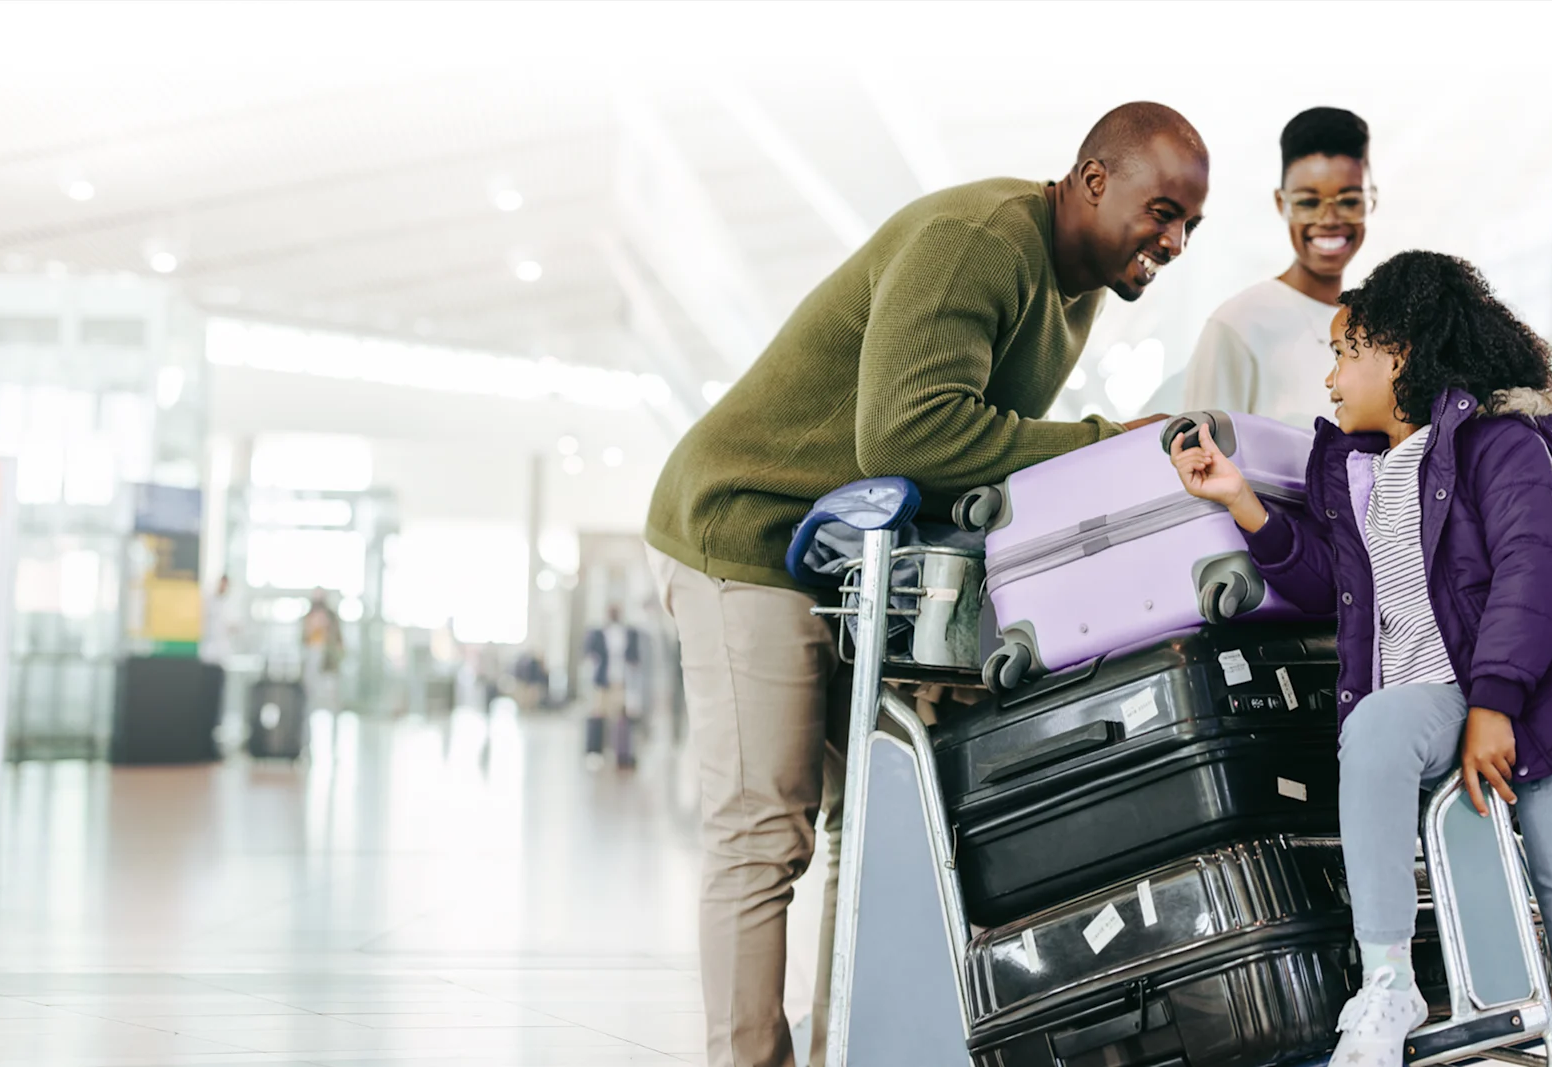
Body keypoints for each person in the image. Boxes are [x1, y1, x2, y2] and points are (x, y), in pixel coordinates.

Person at [644, 102, 1210, 1067]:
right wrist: (1104, 443)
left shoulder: (1073, 291)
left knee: (869, 825)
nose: (1174, 240)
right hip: (746, 530)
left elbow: (960, 459)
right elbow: (909, 437)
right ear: (1093, 178)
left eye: (1190, 226)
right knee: (765, 829)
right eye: (1162, 211)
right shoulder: (979, 242)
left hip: (843, 558)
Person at [1170, 250, 1552, 1067]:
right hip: (1440, 695)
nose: (1329, 379)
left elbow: (1537, 565)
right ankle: (1386, 978)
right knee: (1380, 723)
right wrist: (1241, 501)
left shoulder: (1500, 441)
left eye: (1343, 353)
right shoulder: (1357, 472)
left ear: (1396, 352)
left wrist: (1496, 704)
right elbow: (1331, 584)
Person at [1156, 107, 1375, 428]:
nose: (1329, 220)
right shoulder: (1238, 326)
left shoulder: (1380, 330)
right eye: (1308, 202)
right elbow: (1199, 463)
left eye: (1349, 201)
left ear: (1371, 201)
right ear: (1280, 204)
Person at [583, 605, 639, 769]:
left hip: (621, 681)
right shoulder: (598, 633)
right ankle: (595, 752)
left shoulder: (628, 633)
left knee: (621, 718)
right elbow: (590, 654)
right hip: (602, 681)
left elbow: (634, 658)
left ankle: (621, 754)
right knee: (598, 715)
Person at [301, 588, 344, 715]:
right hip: (311, 651)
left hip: (327, 655)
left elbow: (337, 637)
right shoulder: (309, 616)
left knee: (330, 689)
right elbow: (303, 636)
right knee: (310, 687)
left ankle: (333, 713)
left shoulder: (331, 616)